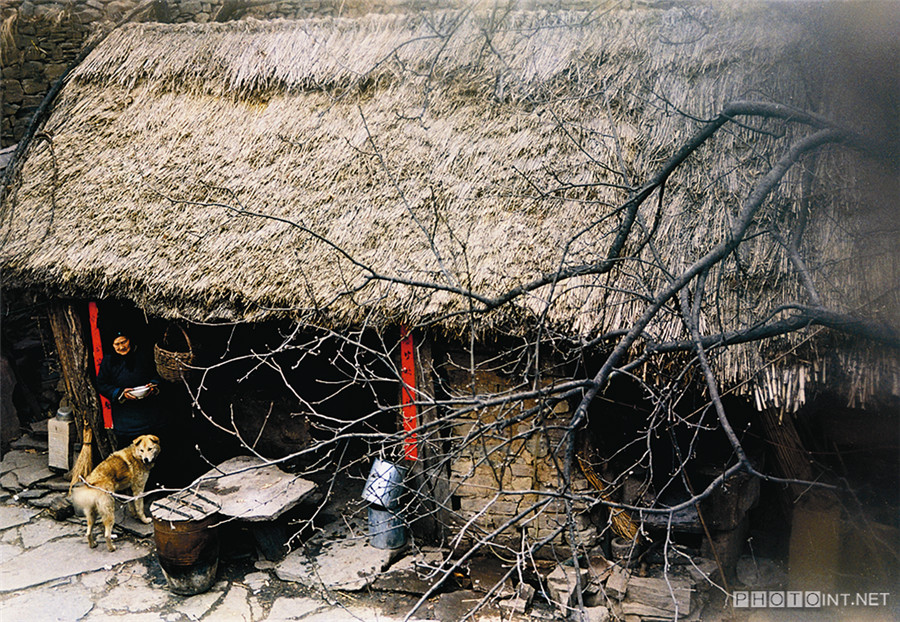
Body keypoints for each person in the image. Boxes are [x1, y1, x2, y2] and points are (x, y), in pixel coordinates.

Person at [96, 331, 164, 451]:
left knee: (152, 450)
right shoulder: (109, 360)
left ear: (130, 340)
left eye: (124, 342)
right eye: (117, 344)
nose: (121, 347)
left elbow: (157, 373)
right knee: (129, 453)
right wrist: (120, 393)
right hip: (125, 419)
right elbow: (101, 384)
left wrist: (153, 386)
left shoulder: (142, 355)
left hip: (149, 415)